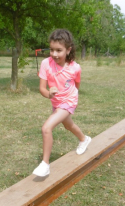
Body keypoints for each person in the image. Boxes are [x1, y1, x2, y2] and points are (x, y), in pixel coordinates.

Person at [33, 29, 91, 177]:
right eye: (52, 50)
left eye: (59, 50)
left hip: (69, 101)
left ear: (68, 49)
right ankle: (84, 139)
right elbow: (41, 88)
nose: (54, 54)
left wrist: (72, 97)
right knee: (68, 125)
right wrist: (49, 94)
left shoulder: (75, 67)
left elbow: (76, 84)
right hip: (56, 101)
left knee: (46, 128)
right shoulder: (46, 63)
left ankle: (45, 164)